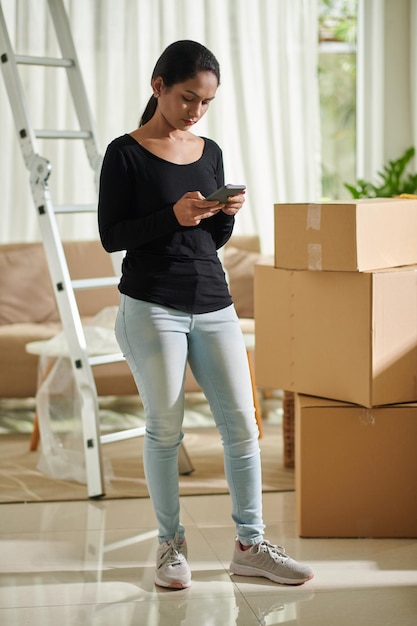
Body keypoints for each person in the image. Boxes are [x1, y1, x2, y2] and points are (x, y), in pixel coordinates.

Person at [98, 40, 314, 590]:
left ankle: (251, 545)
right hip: (151, 304)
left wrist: (224, 213)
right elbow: (111, 237)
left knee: (243, 426)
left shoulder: (208, 149)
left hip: (214, 302)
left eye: (206, 102)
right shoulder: (124, 153)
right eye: (187, 97)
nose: (194, 111)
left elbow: (209, 241)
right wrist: (171, 214)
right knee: (165, 428)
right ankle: (170, 546)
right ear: (158, 87)